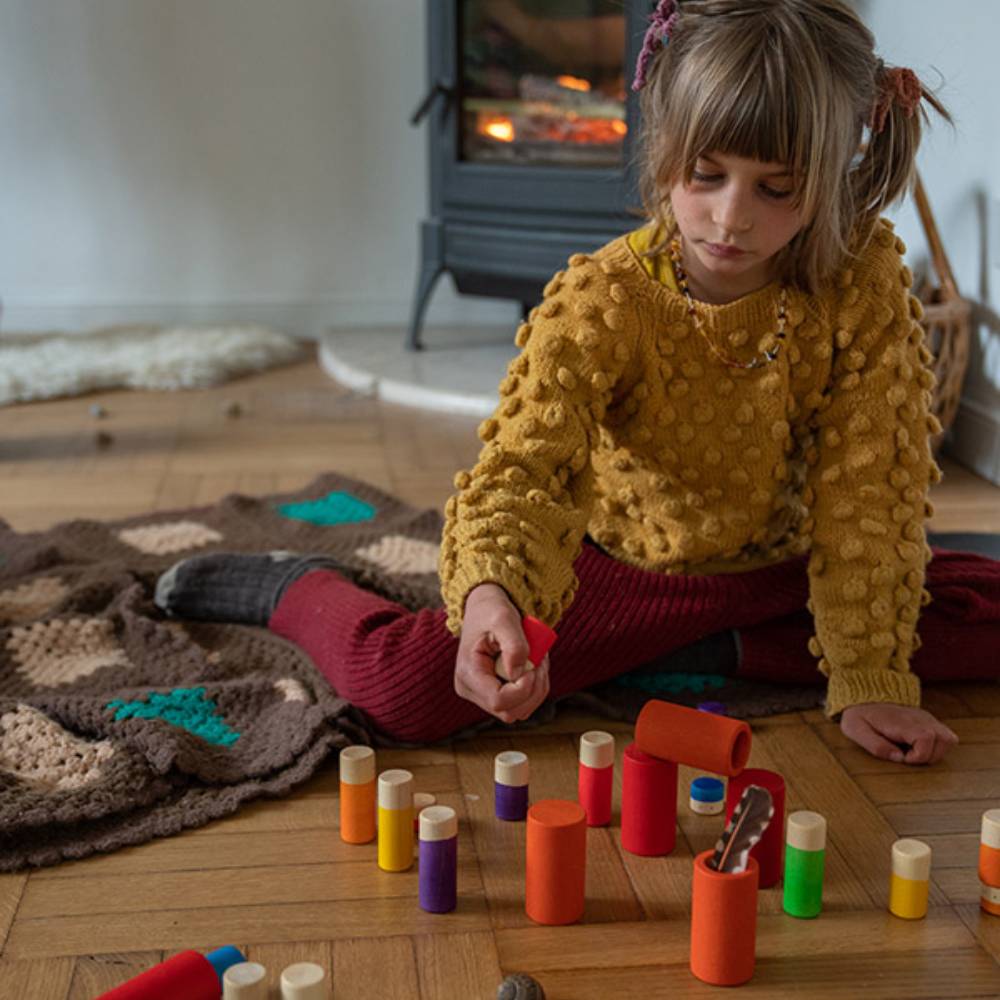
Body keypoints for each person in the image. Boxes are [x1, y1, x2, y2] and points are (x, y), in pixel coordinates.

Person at [156, 0, 1000, 765]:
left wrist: (869, 674)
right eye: (706, 174)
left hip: (788, 566)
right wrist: (492, 593)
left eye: (776, 189)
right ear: (665, 148)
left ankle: (708, 651)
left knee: (952, 629)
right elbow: (523, 473)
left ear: (830, 177)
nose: (731, 217)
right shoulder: (604, 297)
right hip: (627, 573)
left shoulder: (863, 282)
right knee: (407, 691)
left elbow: (871, 494)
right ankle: (295, 585)